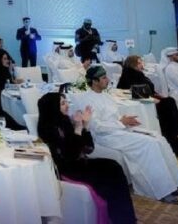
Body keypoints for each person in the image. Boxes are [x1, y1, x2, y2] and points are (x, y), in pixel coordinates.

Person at [69, 65, 178, 202]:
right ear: (94, 81)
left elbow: (114, 117)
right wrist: (121, 122)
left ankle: (176, 184)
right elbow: (96, 127)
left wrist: (126, 120)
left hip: (119, 130)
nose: (107, 80)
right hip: (105, 137)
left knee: (159, 139)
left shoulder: (106, 96)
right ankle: (162, 190)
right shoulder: (86, 100)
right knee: (149, 144)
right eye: (104, 78)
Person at [36, 92, 136, 224]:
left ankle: (122, 217)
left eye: (66, 102)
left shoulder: (65, 121)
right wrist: (78, 128)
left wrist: (86, 126)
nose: (67, 105)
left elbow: (89, 148)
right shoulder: (48, 128)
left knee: (114, 166)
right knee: (109, 175)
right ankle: (120, 217)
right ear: (53, 107)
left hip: (79, 163)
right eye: (63, 103)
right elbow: (70, 155)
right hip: (66, 168)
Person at [117, 55, 178, 156]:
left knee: (170, 101)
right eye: (139, 63)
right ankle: (177, 133)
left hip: (150, 99)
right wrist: (153, 98)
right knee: (169, 104)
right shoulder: (130, 75)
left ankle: (177, 132)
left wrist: (156, 95)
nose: (142, 65)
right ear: (133, 64)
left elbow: (147, 89)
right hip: (144, 102)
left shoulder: (137, 73)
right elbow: (132, 91)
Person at [0, 49, 22, 128]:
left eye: (7, 58)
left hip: (5, 97)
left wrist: (14, 81)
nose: (8, 61)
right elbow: (3, 86)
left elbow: (9, 83)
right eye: (5, 59)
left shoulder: (4, 70)